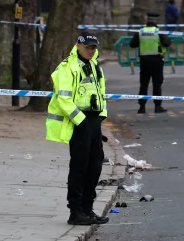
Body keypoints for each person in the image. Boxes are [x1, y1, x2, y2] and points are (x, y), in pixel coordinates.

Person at [45, 34, 110, 227]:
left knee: (95, 164)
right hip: (79, 121)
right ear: (78, 45)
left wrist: (101, 116)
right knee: (79, 167)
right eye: (88, 47)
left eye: (93, 47)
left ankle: (87, 209)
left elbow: (101, 92)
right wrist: (81, 121)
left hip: (94, 120)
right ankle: (75, 211)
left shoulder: (94, 64)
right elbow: (63, 99)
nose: (91, 50)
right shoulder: (68, 67)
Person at [130, 12, 170, 114]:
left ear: (147, 20)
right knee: (157, 84)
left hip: (144, 61)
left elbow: (132, 44)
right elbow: (167, 43)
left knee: (144, 84)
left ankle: (141, 107)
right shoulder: (158, 31)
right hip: (156, 60)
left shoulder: (140, 31)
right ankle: (157, 106)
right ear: (156, 21)